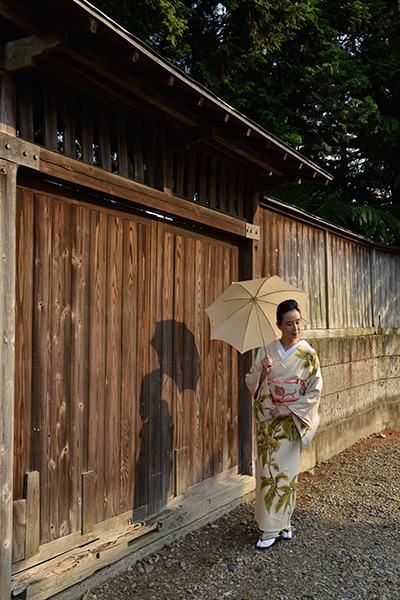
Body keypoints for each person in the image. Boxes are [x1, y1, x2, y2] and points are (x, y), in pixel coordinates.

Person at [245, 299, 322, 549]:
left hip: (290, 422)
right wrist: (263, 373)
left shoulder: (308, 354)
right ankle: (277, 525)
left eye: (298, 322)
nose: (295, 328)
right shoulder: (266, 350)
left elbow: (314, 390)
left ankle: (276, 527)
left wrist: (287, 409)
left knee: (285, 474)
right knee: (267, 472)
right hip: (269, 421)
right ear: (279, 325)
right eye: (289, 324)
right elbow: (250, 380)